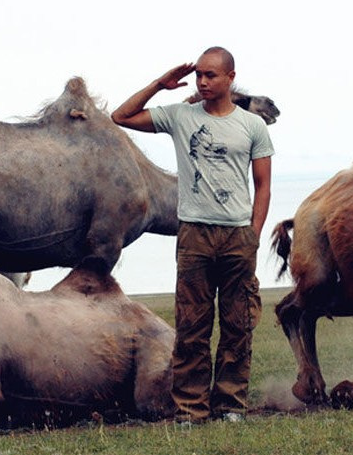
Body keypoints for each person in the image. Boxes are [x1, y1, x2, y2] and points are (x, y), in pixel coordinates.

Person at [111, 46, 273, 424]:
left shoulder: (253, 126)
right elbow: (122, 115)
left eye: (211, 75)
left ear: (230, 78)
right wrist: (159, 84)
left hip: (237, 236)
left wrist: (254, 233)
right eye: (199, 74)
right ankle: (191, 409)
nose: (202, 81)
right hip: (194, 235)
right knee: (192, 326)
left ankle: (231, 405)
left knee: (237, 325)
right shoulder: (181, 116)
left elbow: (262, 185)